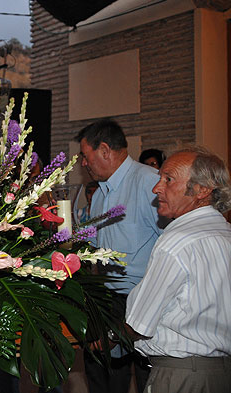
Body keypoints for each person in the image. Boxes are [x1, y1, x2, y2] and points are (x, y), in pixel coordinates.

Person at [125, 147, 231, 392]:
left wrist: (110, 334)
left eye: (168, 179)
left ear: (202, 190)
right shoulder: (225, 234)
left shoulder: (176, 241)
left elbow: (140, 322)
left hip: (182, 376)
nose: (156, 188)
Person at [75, 119, 164, 393]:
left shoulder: (148, 183)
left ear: (104, 150)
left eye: (86, 157)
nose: (83, 164)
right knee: (106, 378)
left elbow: (170, 244)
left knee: (148, 378)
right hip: (109, 301)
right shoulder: (101, 191)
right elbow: (93, 240)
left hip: (144, 300)